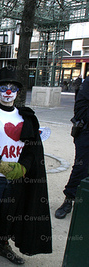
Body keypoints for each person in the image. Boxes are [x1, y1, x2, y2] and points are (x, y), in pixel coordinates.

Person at [0, 66, 52, 266]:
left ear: (18, 91)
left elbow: (33, 147)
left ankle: (4, 244)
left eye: (12, 87)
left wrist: (23, 167)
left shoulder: (26, 116)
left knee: (12, 210)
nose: (8, 91)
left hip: (17, 177)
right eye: (3, 87)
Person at [55, 75, 89, 219]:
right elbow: (81, 109)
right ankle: (69, 199)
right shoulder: (86, 84)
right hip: (86, 132)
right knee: (81, 167)